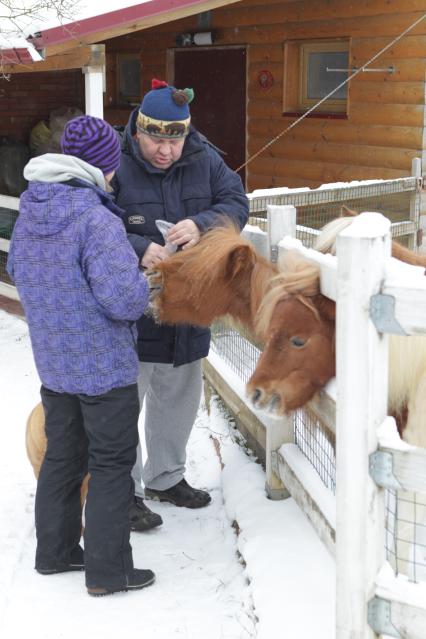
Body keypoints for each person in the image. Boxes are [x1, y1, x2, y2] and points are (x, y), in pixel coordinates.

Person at [7, 115, 155, 597]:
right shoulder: (97, 218)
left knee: (63, 459)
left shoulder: (32, 208)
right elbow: (124, 300)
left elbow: (17, 270)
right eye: (112, 167)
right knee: (113, 464)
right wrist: (145, 281)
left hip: (55, 363)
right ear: (102, 167)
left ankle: (56, 552)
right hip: (104, 368)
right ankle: (109, 570)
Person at [113, 79, 249, 517]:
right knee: (122, 403)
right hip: (130, 313)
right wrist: (137, 246)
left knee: (179, 396)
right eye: (156, 139)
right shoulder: (114, 161)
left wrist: (202, 224)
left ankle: (166, 478)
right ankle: (122, 490)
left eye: (175, 140)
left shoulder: (204, 158)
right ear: (138, 131)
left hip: (189, 307)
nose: (165, 151)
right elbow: (94, 217)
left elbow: (236, 202)